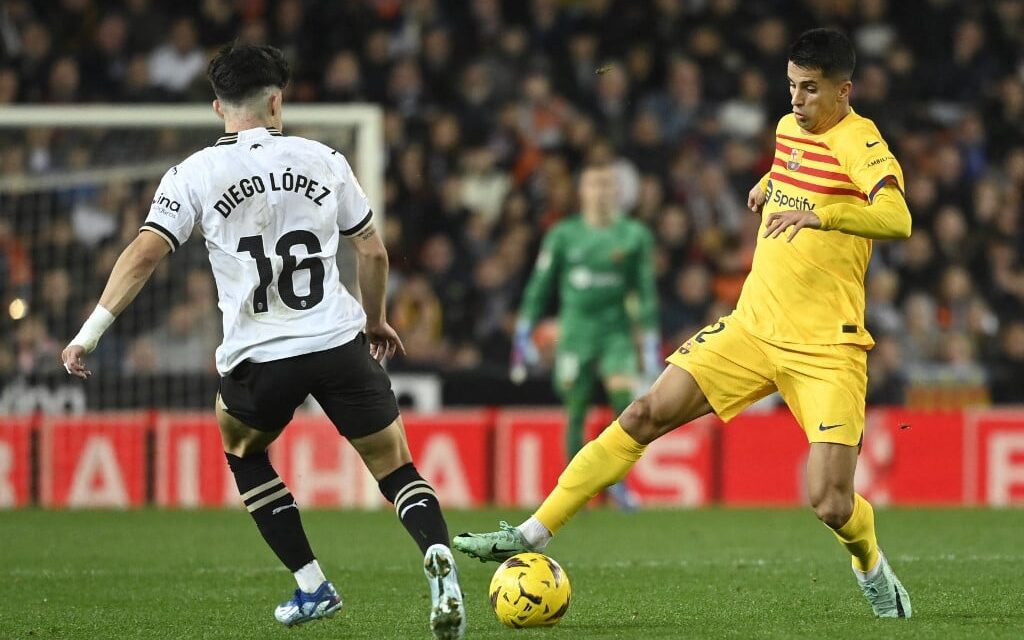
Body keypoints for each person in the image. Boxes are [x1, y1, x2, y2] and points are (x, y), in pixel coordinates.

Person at [455, 28, 913, 620]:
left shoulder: (861, 139)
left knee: (829, 501)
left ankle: (870, 564)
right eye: (792, 86)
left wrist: (818, 214)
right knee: (643, 412)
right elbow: (796, 173)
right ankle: (533, 532)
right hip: (752, 326)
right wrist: (770, 184)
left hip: (827, 346)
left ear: (844, 90)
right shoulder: (787, 129)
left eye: (811, 90)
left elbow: (897, 217)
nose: (797, 100)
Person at [60, 43, 465, 639]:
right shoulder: (325, 158)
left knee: (244, 451)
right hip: (336, 342)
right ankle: (439, 562)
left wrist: (88, 334)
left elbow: (145, 253)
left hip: (260, 356)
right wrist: (375, 319)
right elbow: (373, 249)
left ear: (216, 105)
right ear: (276, 101)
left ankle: (311, 585)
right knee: (395, 465)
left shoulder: (193, 173)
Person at [510, 160, 659, 508]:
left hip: (616, 332)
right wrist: (523, 332)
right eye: (594, 185)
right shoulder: (563, 235)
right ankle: (576, 489)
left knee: (625, 404)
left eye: (607, 185)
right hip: (575, 332)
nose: (601, 192)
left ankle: (616, 482)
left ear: (617, 192)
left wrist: (649, 341)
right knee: (575, 410)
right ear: (582, 191)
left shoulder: (634, 236)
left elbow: (646, 292)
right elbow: (540, 286)